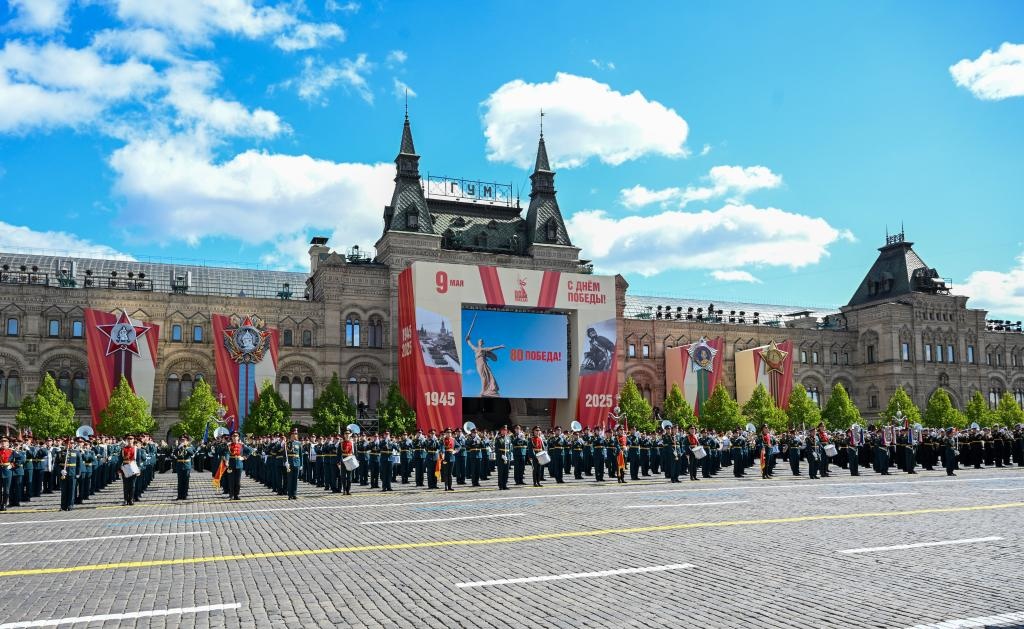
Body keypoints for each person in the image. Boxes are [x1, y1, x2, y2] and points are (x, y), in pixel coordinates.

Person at [223, 432, 251, 500]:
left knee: (237, 481)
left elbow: (249, 451)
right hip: (231, 464)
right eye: (233, 436)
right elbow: (227, 453)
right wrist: (226, 461)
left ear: (238, 437)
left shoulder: (241, 445)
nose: (235, 437)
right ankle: (231, 495)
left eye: (236, 436)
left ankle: (236, 495)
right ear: (232, 437)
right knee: (231, 480)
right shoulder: (229, 445)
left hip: (239, 464)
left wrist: (244, 457)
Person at [173, 435, 195, 500]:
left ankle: (184, 495)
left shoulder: (189, 447)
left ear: (187, 441)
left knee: (185, 481)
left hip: (186, 465)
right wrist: (179, 446)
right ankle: (179, 495)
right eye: (181, 440)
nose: (182, 441)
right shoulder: (178, 447)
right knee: (180, 481)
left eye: (184, 440)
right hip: (179, 465)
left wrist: (186, 448)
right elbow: (174, 453)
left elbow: (192, 453)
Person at [121, 435, 139, 505]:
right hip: (125, 467)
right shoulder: (123, 449)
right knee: (125, 485)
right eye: (128, 439)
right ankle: (125, 499)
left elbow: (138, 459)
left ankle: (131, 499)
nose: (130, 440)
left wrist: (138, 469)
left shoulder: (135, 448)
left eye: (131, 439)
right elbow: (120, 459)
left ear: (133, 440)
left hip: (133, 467)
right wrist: (119, 469)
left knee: (132, 485)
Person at [287, 428, 303, 499]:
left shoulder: (299, 443)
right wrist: (285, 462)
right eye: (294, 434)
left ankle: (294, 494)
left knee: (295, 480)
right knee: (290, 479)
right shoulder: (287, 443)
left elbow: (300, 454)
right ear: (291, 434)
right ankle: (290, 494)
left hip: (297, 462)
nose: (295, 435)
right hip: (290, 463)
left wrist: (301, 464)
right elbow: (285, 454)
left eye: (296, 434)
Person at [495, 426, 512, 490]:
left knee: (506, 471)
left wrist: (509, 455)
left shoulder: (508, 438)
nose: (505, 431)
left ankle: (505, 484)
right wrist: (501, 455)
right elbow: (496, 449)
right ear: (501, 431)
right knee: (501, 471)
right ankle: (501, 485)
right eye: (503, 430)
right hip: (501, 457)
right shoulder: (498, 438)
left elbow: (509, 448)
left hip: (507, 456)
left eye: (505, 430)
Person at [0, 435, 12, 511]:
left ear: (8, 443)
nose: (3, 443)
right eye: (2, 442)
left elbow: (19, 459)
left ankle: (4, 504)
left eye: (5, 442)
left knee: (6, 490)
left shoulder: (11, 451)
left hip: (7, 472)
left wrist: (12, 465)